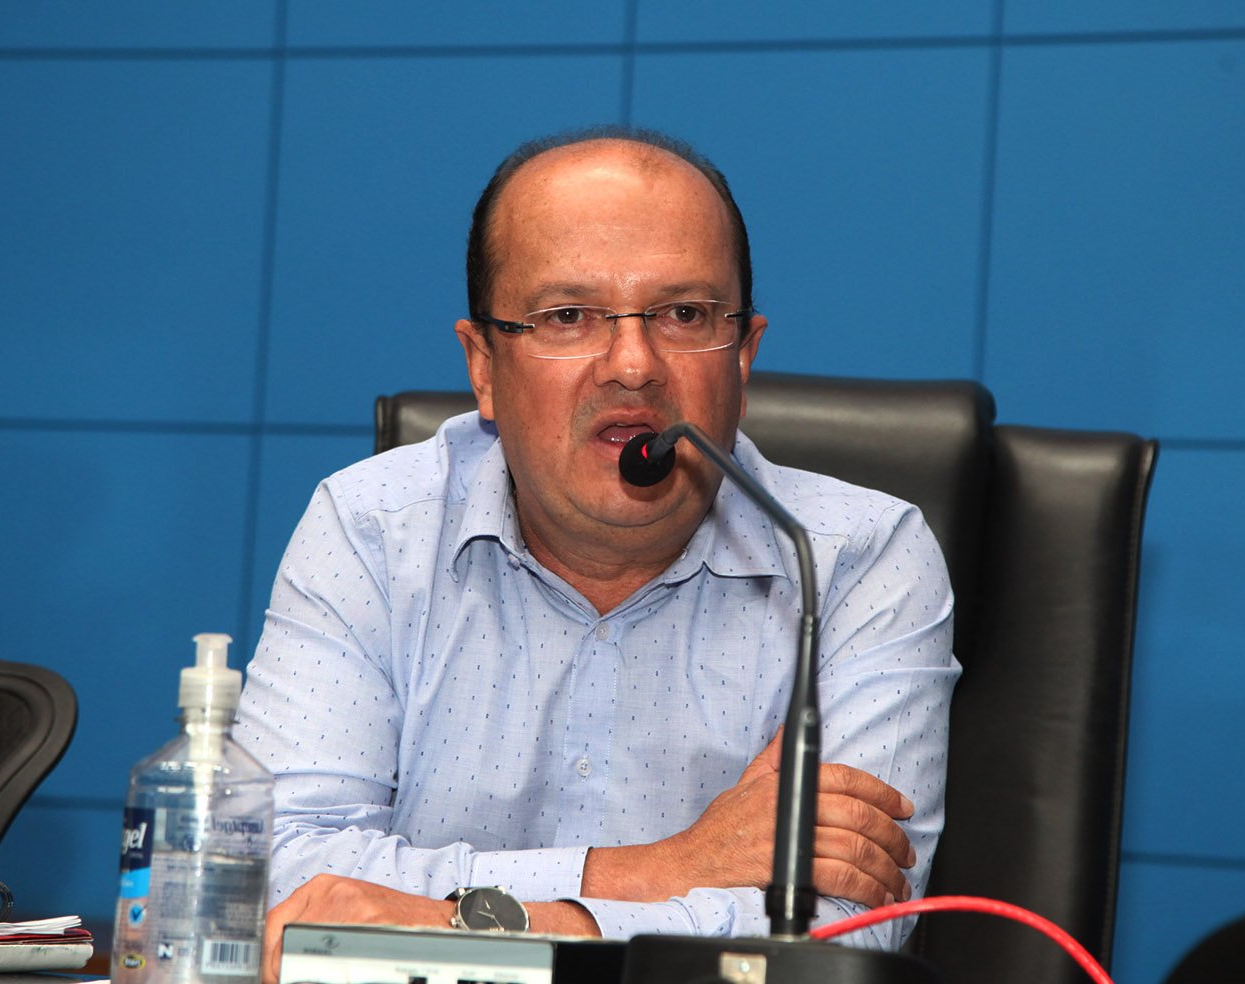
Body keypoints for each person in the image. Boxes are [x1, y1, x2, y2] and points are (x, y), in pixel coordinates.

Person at [234, 126, 960, 980]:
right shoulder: (371, 529)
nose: (633, 365)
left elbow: (839, 938)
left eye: (684, 314)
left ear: (743, 356)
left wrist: (459, 924)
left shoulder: (854, 562)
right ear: (483, 367)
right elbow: (272, 874)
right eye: (568, 316)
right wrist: (657, 871)